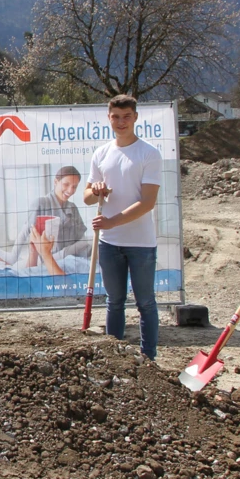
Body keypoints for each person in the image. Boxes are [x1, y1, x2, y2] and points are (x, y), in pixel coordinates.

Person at [85, 94, 162, 360]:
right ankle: (115, 358)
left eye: (126, 116)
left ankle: (149, 358)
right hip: (109, 243)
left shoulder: (149, 154)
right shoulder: (101, 153)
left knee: (146, 303)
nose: (121, 122)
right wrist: (96, 191)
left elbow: (147, 202)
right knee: (114, 302)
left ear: (135, 118)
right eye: (116, 117)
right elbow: (86, 197)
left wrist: (111, 221)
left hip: (140, 243)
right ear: (109, 118)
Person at [16, 166, 90, 276]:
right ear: (56, 181)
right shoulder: (41, 203)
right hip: (49, 261)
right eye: (66, 184)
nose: (70, 190)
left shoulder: (72, 208)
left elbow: (83, 241)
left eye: (74, 187)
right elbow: (25, 233)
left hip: (73, 260)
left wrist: (67, 252)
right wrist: (12, 257)